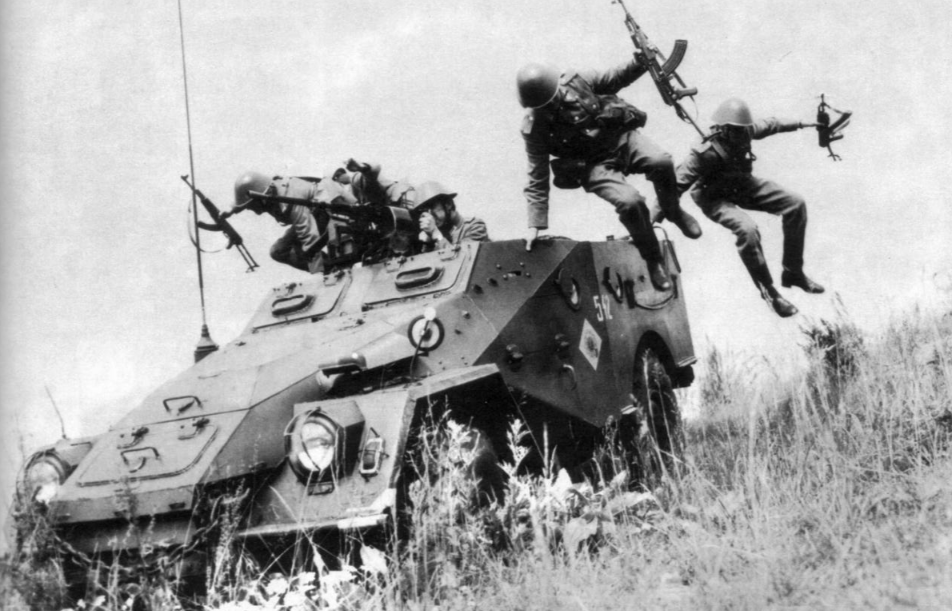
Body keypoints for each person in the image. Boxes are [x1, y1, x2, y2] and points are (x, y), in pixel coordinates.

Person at [516, 60, 702, 291]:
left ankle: (673, 211)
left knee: (661, 162)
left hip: (620, 139)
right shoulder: (534, 128)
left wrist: (639, 62)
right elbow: (537, 176)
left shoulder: (577, 80)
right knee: (630, 202)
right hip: (593, 164)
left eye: (554, 97)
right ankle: (653, 258)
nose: (553, 104)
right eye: (545, 105)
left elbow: (615, 78)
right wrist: (534, 225)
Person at [675, 98, 825, 318]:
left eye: (744, 129)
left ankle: (793, 272)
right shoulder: (704, 151)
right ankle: (770, 292)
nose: (742, 134)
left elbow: (773, 124)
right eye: (736, 130)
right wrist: (649, 219)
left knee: (795, 203)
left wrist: (805, 123)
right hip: (713, 196)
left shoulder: (745, 130)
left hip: (740, 184)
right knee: (747, 229)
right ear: (724, 128)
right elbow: (673, 187)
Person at [223, 171, 346, 273]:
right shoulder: (267, 191)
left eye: (251, 206)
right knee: (278, 251)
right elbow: (246, 197)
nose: (250, 209)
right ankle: (330, 267)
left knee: (307, 250)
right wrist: (231, 211)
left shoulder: (289, 201)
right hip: (310, 214)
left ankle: (331, 271)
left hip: (326, 210)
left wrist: (318, 270)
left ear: (261, 199)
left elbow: (310, 237)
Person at [411, 181, 489, 250]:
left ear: (448, 204)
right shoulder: (439, 232)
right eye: (425, 211)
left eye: (432, 207)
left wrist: (437, 235)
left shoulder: (474, 227)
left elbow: (463, 258)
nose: (430, 216)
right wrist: (428, 243)